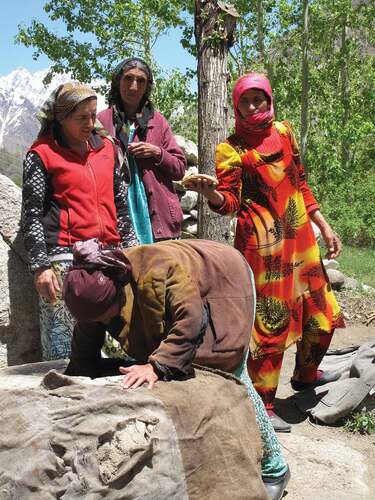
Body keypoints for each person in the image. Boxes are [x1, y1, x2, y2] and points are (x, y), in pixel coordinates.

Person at [62, 238, 290, 500]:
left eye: (105, 315)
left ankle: (275, 468)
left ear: (117, 292)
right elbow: (87, 336)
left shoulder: (159, 270)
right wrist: (76, 377)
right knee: (175, 375)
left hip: (225, 280)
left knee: (231, 377)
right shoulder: (96, 288)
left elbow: (191, 318)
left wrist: (157, 366)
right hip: (189, 290)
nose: (102, 322)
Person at [185, 73, 345, 433]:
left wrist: (324, 225)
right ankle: (264, 402)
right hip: (263, 246)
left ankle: (306, 375)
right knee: (270, 322)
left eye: (259, 98)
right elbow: (228, 204)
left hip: (301, 239)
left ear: (269, 98)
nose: (254, 106)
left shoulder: (285, 132)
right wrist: (209, 193)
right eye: (246, 101)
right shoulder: (231, 149)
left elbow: (300, 182)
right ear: (236, 106)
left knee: (322, 314)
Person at [21, 82, 137, 361]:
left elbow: (120, 205)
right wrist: (41, 267)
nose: (90, 123)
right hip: (64, 262)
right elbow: (32, 214)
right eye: (81, 117)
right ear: (61, 119)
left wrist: (134, 250)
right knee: (66, 351)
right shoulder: (41, 155)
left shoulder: (107, 149)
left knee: (119, 347)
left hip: (110, 258)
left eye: (93, 115)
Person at [97, 57, 186, 244]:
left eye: (141, 81)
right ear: (117, 81)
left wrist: (157, 153)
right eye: (128, 79)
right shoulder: (102, 122)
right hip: (117, 218)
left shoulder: (158, 122)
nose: (134, 86)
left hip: (160, 220)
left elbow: (179, 169)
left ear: (147, 86)